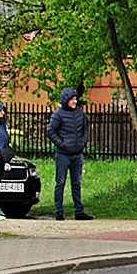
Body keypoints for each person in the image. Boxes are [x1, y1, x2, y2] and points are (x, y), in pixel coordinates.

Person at [46, 87, 93, 221]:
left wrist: (83, 142)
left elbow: (85, 129)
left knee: (76, 183)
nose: (75, 101)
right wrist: (62, 144)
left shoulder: (79, 113)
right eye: (72, 99)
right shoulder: (58, 115)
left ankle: (79, 211)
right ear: (66, 100)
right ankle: (59, 211)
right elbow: (50, 131)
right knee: (60, 183)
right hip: (63, 154)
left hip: (77, 153)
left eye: (75, 99)